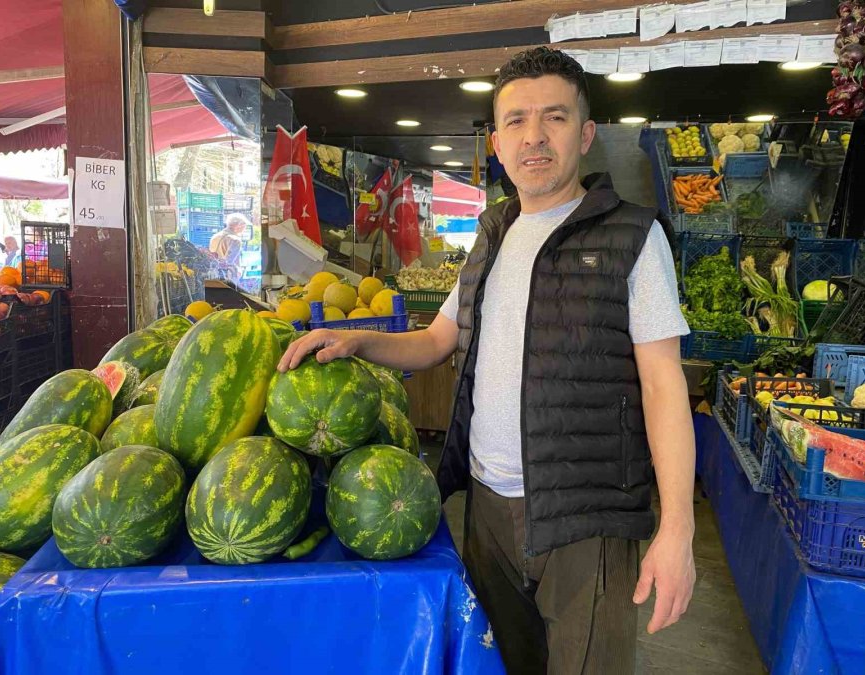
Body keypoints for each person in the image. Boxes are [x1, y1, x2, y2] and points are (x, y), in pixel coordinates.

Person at [278, 47, 695, 674]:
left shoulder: (633, 235)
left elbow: (665, 387)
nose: (534, 137)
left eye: (553, 118)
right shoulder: (493, 232)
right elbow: (437, 340)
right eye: (516, 121)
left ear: (584, 135)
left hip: (586, 519)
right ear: (496, 143)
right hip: (487, 507)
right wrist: (358, 341)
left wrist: (679, 529)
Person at [208, 212, 249, 284]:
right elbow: (229, 262)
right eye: (244, 225)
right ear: (237, 225)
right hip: (227, 276)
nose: (244, 228)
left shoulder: (215, 236)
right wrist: (239, 271)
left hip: (212, 274)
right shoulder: (235, 240)